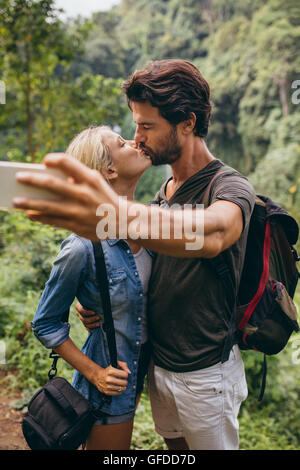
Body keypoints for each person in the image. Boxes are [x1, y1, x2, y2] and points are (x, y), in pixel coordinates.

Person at [14, 59, 256, 450]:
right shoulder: (164, 194)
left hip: (205, 375)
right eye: (134, 126)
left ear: (187, 123)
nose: (137, 136)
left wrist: (115, 215)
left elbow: (214, 233)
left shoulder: (228, 186)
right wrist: (100, 302)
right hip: (157, 369)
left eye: (146, 126)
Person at [31, 125, 152, 450]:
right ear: (108, 170)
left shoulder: (153, 226)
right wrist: (95, 373)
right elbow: (45, 322)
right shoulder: (82, 246)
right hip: (110, 381)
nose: (135, 140)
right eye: (122, 142)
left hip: (151, 372)